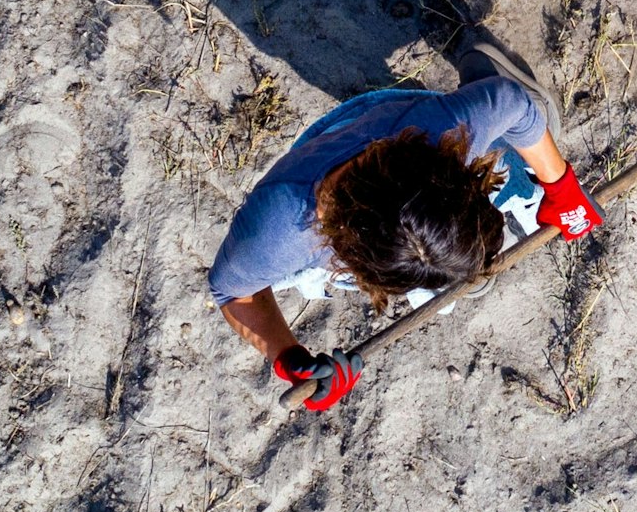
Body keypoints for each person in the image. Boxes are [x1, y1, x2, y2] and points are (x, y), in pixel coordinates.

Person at [209, 40, 604, 411]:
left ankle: (486, 85)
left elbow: (513, 101)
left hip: (403, 116)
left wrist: (562, 187)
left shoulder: (447, 126)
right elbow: (231, 291)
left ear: (446, 165)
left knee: (530, 122)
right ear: (355, 262)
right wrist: (288, 357)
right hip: (337, 145)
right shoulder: (278, 233)